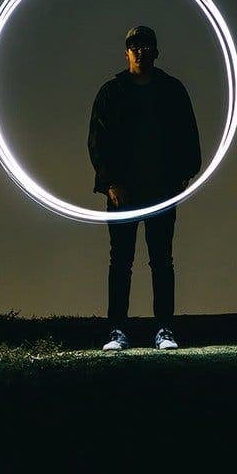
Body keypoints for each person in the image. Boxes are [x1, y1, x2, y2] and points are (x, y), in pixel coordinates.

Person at [87, 25, 201, 351]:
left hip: (161, 189)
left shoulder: (171, 90)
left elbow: (187, 135)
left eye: (146, 45)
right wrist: (110, 182)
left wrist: (182, 176)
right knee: (120, 261)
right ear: (126, 52)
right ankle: (117, 331)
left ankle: (164, 330)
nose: (140, 51)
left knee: (162, 260)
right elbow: (98, 141)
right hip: (122, 192)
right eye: (134, 46)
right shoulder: (112, 92)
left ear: (155, 51)